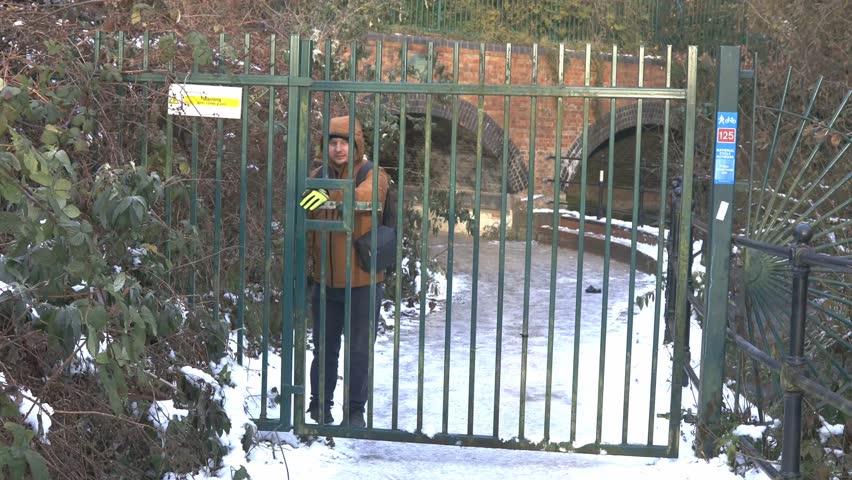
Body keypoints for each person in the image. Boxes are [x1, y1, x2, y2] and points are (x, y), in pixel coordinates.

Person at [300, 115, 390, 429]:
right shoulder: (315, 175)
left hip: (364, 280)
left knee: (358, 350)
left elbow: (367, 198)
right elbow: (305, 218)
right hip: (324, 281)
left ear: (356, 145)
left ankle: (354, 413)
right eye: (333, 143)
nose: (338, 149)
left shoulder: (371, 174)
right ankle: (319, 409)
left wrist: (331, 194)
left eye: (344, 143)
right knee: (324, 349)